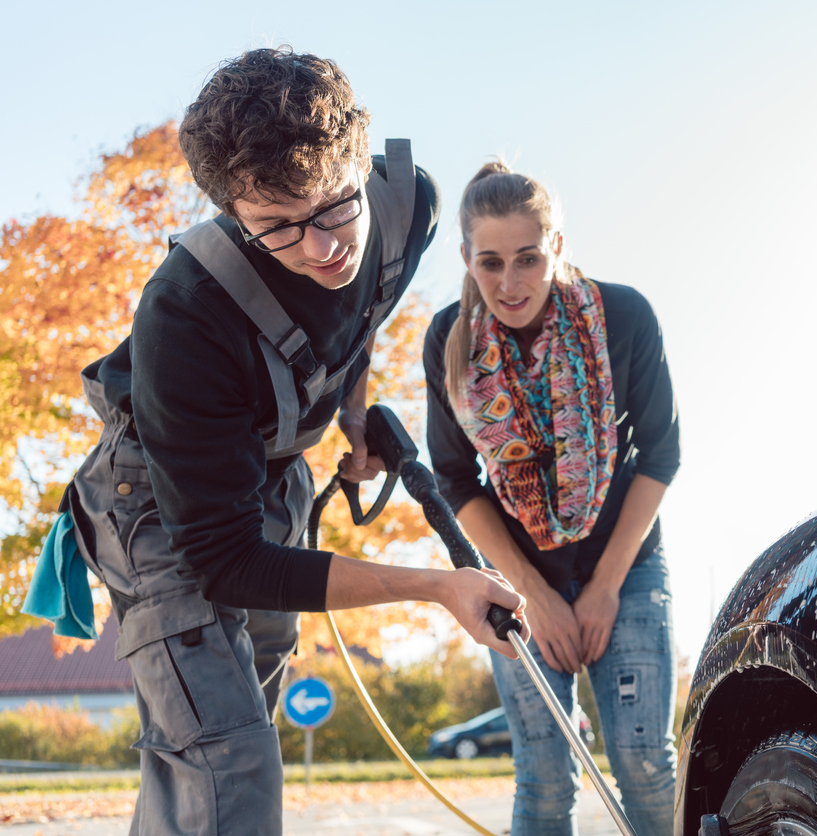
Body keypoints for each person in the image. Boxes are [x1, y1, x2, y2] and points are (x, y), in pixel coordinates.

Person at [65, 48, 528, 835]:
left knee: (230, 731)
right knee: (230, 763)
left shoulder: (407, 204)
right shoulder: (185, 314)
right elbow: (227, 559)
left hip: (274, 474)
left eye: (333, 206)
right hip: (160, 502)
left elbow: (363, 314)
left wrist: (351, 416)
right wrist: (437, 585)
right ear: (233, 215)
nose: (321, 248)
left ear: (360, 162)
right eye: (277, 227)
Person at [424, 161, 680, 836]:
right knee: (542, 770)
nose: (509, 284)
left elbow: (660, 454)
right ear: (465, 258)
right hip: (519, 576)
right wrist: (534, 595)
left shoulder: (623, 316)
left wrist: (601, 589)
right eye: (490, 263)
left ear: (557, 247)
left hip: (626, 569)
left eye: (528, 259)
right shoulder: (448, 341)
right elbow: (455, 480)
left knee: (642, 761)